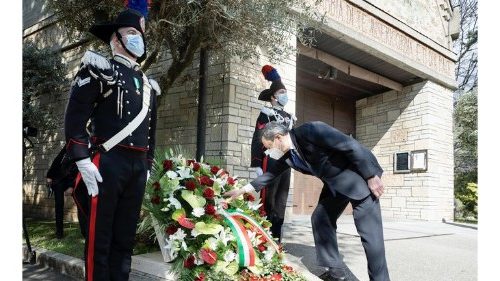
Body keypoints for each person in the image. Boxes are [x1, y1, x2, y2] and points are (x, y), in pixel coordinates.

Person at [225, 121, 390, 281]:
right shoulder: (287, 155)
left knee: (371, 238)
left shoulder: (311, 130)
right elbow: (270, 175)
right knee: (320, 218)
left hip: (358, 177)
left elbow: (350, 145)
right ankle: (336, 271)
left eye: (268, 148)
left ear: (278, 138)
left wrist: (370, 176)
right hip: (335, 185)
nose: (268, 152)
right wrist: (241, 190)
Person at [64, 8, 159, 281]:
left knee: (125, 239)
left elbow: (151, 130)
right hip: (107, 162)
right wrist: (82, 158)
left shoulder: (148, 84)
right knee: (100, 238)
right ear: (115, 39)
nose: (137, 38)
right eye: (131, 33)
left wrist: (148, 164)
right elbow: (75, 115)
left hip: (137, 166)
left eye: (139, 34)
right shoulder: (99, 68)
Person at [250, 65, 295, 242]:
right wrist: (256, 163)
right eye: (282, 92)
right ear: (273, 97)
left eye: (285, 91)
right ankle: (263, 239)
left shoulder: (290, 117)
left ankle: (276, 239)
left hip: (286, 163)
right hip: (270, 160)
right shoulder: (266, 114)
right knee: (268, 199)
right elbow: (257, 138)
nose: (285, 95)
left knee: (281, 201)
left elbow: (294, 139)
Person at [46, 146, 80, 239]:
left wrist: (72, 186)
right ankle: (59, 233)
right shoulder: (67, 148)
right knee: (59, 205)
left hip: (71, 181)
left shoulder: (83, 150)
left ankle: (86, 229)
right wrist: (49, 176)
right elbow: (57, 161)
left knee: (81, 202)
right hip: (58, 180)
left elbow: (79, 171)